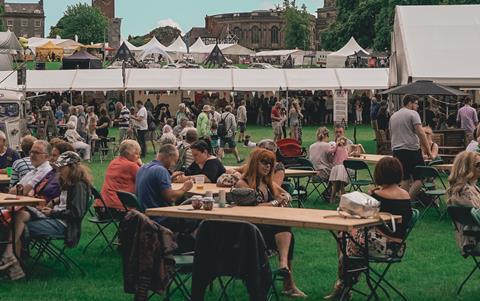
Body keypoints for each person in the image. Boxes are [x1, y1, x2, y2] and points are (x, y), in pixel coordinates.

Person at [325, 157, 412, 299]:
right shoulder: (406, 195)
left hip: (380, 245)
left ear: (380, 174)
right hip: (398, 247)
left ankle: (343, 283)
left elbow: (361, 216)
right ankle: (345, 283)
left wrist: (371, 194)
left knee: (343, 235)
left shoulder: (377, 195)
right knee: (352, 240)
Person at [235, 148, 306, 298]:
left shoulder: (266, 182)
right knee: (285, 229)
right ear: (255, 163)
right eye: (264, 162)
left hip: (266, 227)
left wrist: (285, 197)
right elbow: (253, 208)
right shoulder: (243, 183)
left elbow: (284, 194)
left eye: (270, 163)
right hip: (250, 231)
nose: (268, 166)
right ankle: (287, 279)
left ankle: (284, 268)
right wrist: (275, 202)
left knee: (287, 231)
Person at [135, 144, 194, 231]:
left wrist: (169, 179)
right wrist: (185, 188)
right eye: (175, 161)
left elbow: (154, 186)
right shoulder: (161, 170)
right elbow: (171, 197)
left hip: (144, 216)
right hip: (159, 217)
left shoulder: (143, 167)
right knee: (194, 219)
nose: (174, 165)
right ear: (170, 156)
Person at [389, 95, 432, 201]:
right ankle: (408, 201)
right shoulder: (413, 114)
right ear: (410, 103)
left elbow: (391, 133)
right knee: (421, 178)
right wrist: (428, 150)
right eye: (416, 103)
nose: (417, 106)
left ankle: (403, 202)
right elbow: (421, 133)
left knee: (405, 178)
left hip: (397, 150)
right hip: (411, 149)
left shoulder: (393, 116)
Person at [446, 151, 480, 254]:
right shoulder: (465, 192)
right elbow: (477, 215)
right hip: (474, 241)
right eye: (478, 164)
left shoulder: (468, 188)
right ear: (467, 168)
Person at [98, 140, 141, 217]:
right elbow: (145, 178)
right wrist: (141, 165)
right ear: (128, 153)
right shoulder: (131, 166)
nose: (138, 157)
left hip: (102, 206)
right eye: (136, 154)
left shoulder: (114, 162)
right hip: (117, 208)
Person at [329, 136, 349, 203]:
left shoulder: (345, 148)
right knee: (335, 185)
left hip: (341, 167)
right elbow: (331, 151)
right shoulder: (336, 148)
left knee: (341, 185)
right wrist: (336, 145)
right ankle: (333, 198)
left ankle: (342, 199)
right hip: (336, 167)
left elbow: (346, 157)